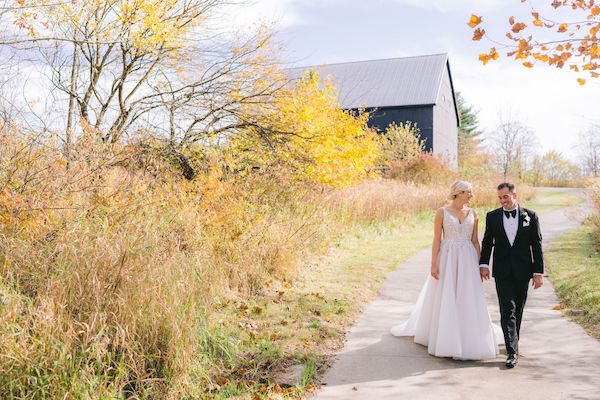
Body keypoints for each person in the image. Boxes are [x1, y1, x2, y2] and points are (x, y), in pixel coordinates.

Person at [391, 180, 501, 360]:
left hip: (467, 258)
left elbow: (474, 241)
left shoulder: (473, 213)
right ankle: (444, 336)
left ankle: (468, 335)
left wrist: (481, 264)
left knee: (467, 294)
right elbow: (436, 239)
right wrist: (433, 263)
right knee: (447, 292)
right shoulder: (442, 212)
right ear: (458, 193)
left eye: (471, 192)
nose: (471, 195)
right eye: (468, 192)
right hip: (447, 257)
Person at [479, 182, 544, 369]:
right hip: (502, 271)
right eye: (499, 198)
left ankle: (513, 341)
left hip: (524, 270)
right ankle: (512, 352)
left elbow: (536, 245)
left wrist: (538, 273)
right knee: (507, 309)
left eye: (505, 197)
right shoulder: (492, 217)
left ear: (515, 195)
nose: (502, 201)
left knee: (519, 309)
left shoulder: (530, 216)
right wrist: (483, 263)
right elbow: (487, 242)